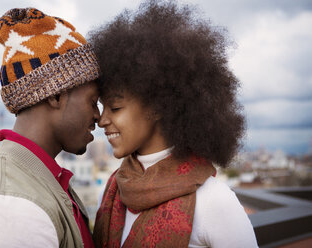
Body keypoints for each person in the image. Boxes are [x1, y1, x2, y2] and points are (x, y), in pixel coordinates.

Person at [90, 0, 258, 247]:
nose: (102, 120)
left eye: (115, 107)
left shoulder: (215, 202)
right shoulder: (115, 188)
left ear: (158, 106)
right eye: (102, 107)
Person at [0, 8, 100, 248]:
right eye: (93, 101)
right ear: (56, 96)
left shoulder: (39, 179)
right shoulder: (12, 207)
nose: (98, 115)